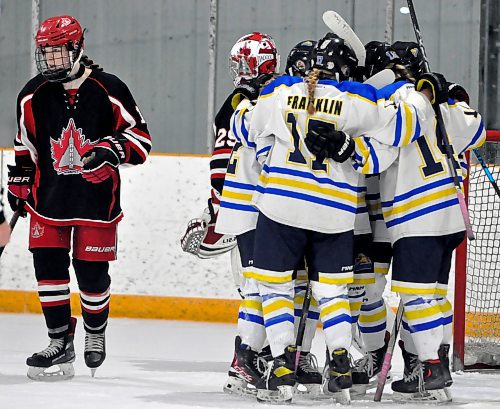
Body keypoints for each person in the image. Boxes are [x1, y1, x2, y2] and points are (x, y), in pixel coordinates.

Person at [247, 32, 435, 404]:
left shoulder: (280, 91)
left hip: (282, 206)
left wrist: (272, 160)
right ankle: (341, 362)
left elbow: (253, 132)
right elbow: (398, 134)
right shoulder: (358, 100)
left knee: (275, 288)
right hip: (336, 213)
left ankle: (283, 365)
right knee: (333, 293)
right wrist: (409, 87)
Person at [306, 56, 485, 403]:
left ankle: (432, 366)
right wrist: (451, 97)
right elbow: (476, 129)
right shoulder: (436, 105)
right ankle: (433, 367)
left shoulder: (395, 106)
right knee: (433, 295)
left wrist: (345, 147)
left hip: (417, 215)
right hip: (449, 214)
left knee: (415, 296)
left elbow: (375, 156)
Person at [8, 15, 151, 380]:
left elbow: (141, 141)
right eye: (46, 54)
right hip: (48, 201)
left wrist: (110, 149)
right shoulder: (32, 94)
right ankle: (59, 340)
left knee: (91, 273)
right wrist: (20, 182)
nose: (51, 61)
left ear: (77, 49)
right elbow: (24, 147)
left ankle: (95, 333)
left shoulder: (109, 88)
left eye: (58, 53)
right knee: (48, 271)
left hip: (96, 202)